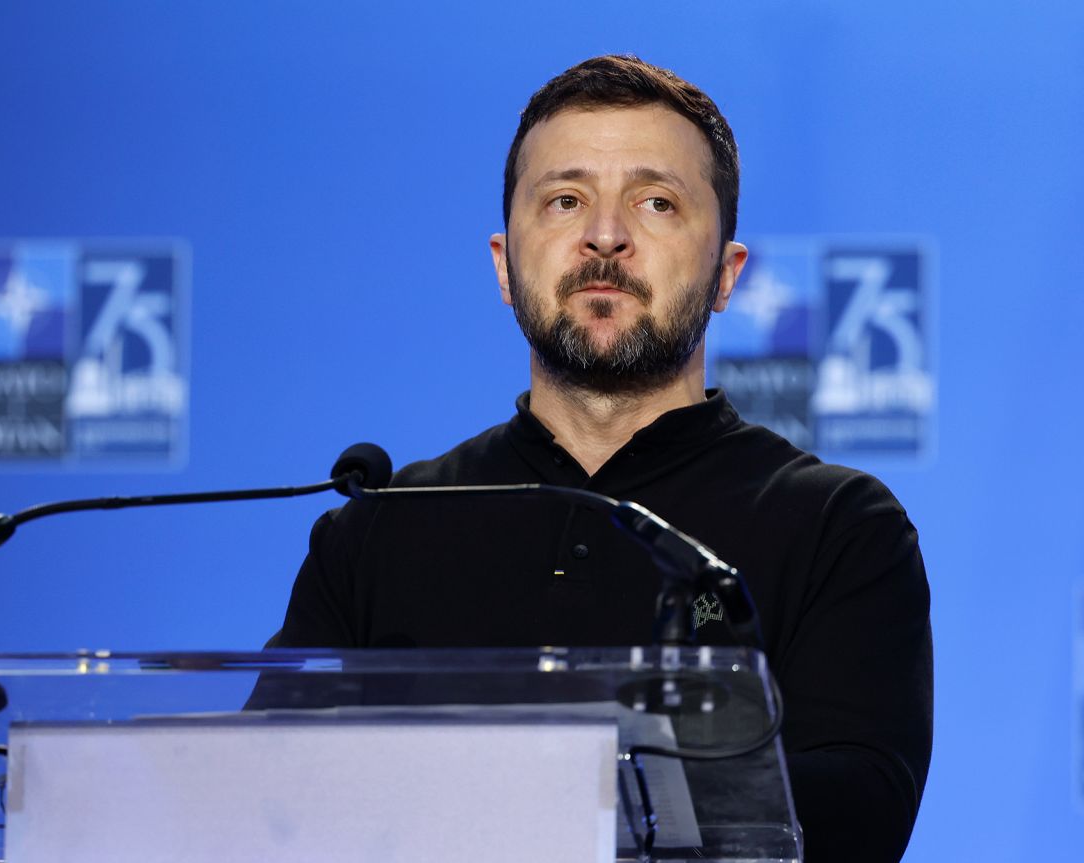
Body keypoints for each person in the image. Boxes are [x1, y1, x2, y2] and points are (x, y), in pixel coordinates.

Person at [274, 55, 932, 863]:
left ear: (727, 274)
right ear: (503, 266)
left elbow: (858, 817)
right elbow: (267, 796)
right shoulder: (378, 529)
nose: (606, 235)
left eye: (656, 202)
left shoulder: (839, 525)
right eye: (564, 200)